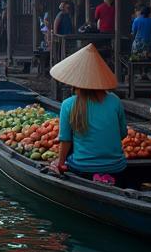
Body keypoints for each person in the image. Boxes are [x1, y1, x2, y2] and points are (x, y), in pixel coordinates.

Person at [49, 44, 127, 180]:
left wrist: (60, 163)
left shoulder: (68, 104)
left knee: (69, 158)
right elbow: (123, 133)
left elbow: (65, 140)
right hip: (117, 167)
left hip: (83, 167)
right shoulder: (114, 100)